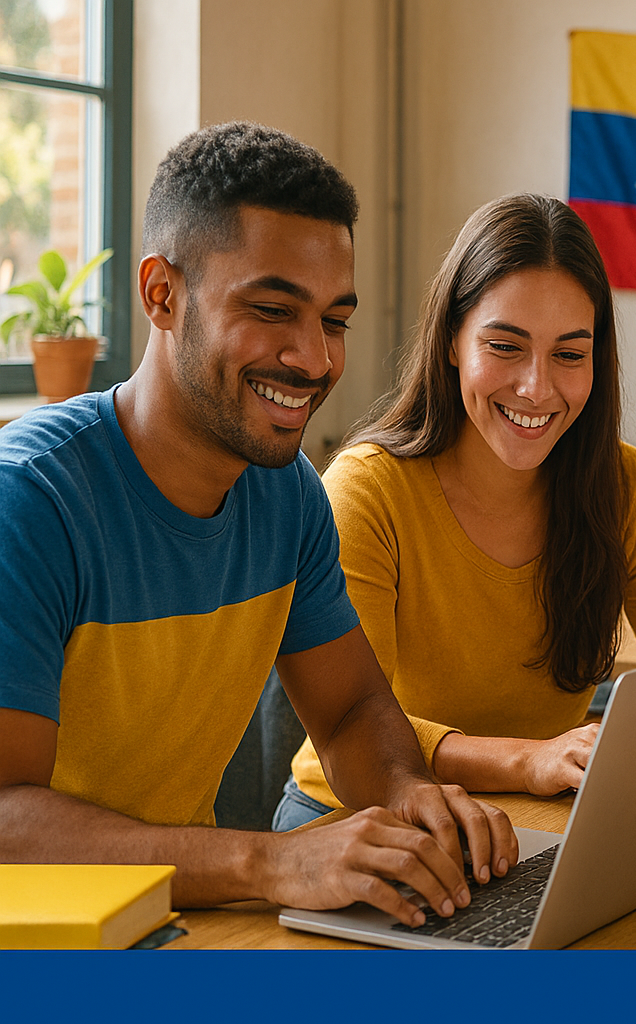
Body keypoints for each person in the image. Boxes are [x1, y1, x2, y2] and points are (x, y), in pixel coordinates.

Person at [0, 122, 515, 929]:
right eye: (273, 309)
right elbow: (4, 826)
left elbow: (349, 714)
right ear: (162, 295)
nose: (314, 360)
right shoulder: (27, 502)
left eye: (334, 320)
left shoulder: (288, 496)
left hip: (174, 929)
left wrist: (413, 799)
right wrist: (266, 859)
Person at [272, 194, 636, 830]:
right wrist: (526, 760)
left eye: (569, 354)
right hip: (360, 817)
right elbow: (345, 736)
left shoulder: (625, 488)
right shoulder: (369, 491)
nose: (537, 388)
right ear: (453, 341)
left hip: (539, 823)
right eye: (506, 346)